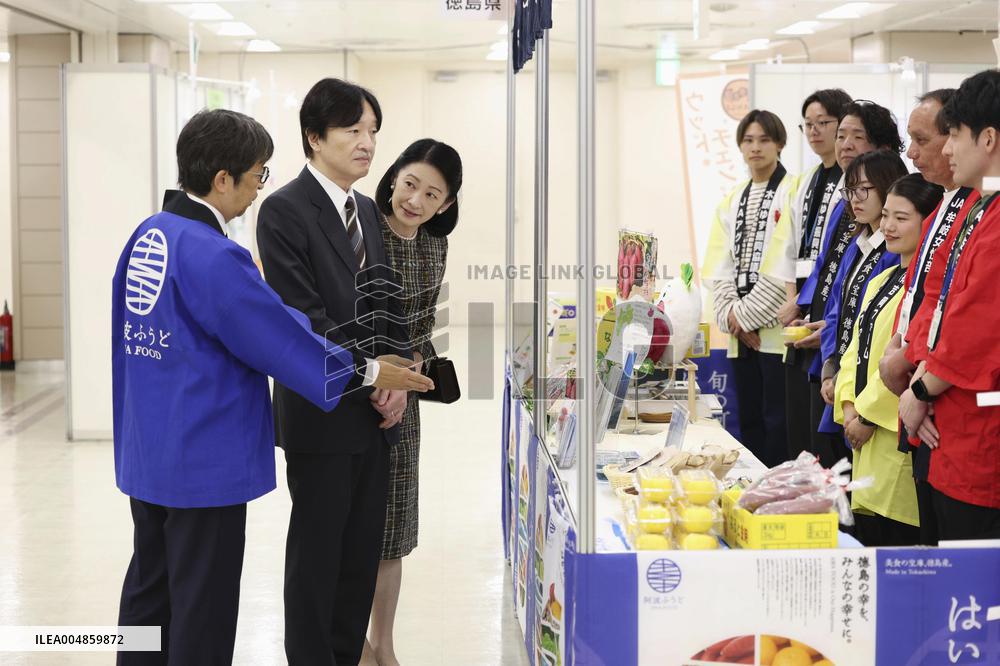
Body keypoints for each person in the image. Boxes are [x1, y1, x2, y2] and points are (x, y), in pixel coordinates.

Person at [112, 109, 430, 666]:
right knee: (201, 610)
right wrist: (373, 372)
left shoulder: (149, 236)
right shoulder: (213, 254)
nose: (260, 189)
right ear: (222, 180)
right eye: (258, 175)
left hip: (149, 453)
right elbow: (279, 339)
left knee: (149, 593)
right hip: (202, 462)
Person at [256, 79, 420, 665]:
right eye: (353, 129)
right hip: (321, 411)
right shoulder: (283, 211)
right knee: (318, 557)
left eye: (372, 130)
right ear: (314, 136)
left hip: (376, 418)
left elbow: (387, 301)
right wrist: (376, 374)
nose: (367, 142)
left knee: (358, 558)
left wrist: (399, 376)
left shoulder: (368, 212)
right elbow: (303, 317)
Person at [360, 139, 463, 666]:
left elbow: (423, 329)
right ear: (393, 178)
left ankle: (386, 643)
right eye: (408, 185)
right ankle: (354, 642)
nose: (414, 201)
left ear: (446, 205)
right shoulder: (359, 232)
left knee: (393, 533)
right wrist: (382, 377)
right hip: (356, 396)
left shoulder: (432, 246)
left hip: (404, 406)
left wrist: (409, 373)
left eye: (431, 194)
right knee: (353, 528)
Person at [899, 70, 1000, 540]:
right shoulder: (978, 206)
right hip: (951, 424)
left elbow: (977, 328)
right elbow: (937, 298)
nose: (945, 149)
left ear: (988, 138)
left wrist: (920, 392)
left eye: (953, 135)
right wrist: (919, 377)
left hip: (979, 439)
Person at [877, 89, 981, 545]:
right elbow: (926, 295)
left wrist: (919, 381)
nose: (915, 153)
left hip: (956, 408)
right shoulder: (949, 204)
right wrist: (901, 358)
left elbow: (971, 320)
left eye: (946, 136)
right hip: (928, 393)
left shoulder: (980, 208)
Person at [791, 100, 905, 467]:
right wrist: (830, 366)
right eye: (842, 135)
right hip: (835, 367)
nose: (845, 143)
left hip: (866, 387)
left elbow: (874, 327)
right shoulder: (852, 222)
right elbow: (834, 290)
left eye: (858, 136)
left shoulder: (894, 249)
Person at [834, 173, 943, 547]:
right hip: (864, 441)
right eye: (887, 216)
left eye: (902, 217)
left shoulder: (927, 288)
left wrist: (866, 415)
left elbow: (906, 360)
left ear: (928, 224)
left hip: (893, 435)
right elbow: (855, 350)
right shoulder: (883, 280)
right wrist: (848, 408)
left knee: (899, 546)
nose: (888, 226)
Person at [702, 109, 797, 467]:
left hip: (778, 332)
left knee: (779, 422)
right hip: (741, 335)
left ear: (780, 144)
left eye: (764, 140)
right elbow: (718, 266)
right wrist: (735, 320)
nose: (755, 148)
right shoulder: (732, 199)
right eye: (748, 140)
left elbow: (784, 263)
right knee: (750, 420)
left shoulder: (793, 191)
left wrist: (747, 317)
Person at [774, 88, 853, 459]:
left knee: (822, 436)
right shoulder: (803, 182)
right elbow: (789, 245)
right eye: (809, 124)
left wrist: (811, 310)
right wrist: (792, 300)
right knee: (797, 430)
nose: (816, 131)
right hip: (800, 307)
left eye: (826, 124)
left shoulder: (855, 183)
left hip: (826, 310)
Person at [817, 149, 908, 439]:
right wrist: (830, 369)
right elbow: (836, 312)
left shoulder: (895, 252)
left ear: (888, 186)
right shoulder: (858, 244)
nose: (855, 198)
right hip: (844, 381)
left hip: (871, 390)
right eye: (850, 190)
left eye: (864, 189)